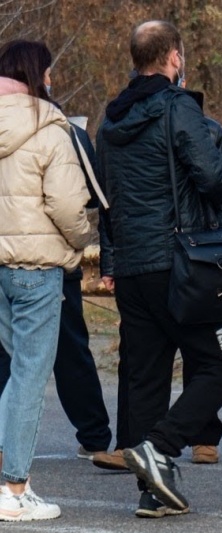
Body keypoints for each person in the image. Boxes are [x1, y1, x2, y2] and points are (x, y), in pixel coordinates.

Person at [95, 20, 222, 515]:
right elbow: (212, 178)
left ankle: (152, 493)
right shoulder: (178, 107)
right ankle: (158, 448)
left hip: (133, 266)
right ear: (175, 58)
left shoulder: (110, 120)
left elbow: (105, 196)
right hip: (180, 265)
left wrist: (114, 255)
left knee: (146, 376)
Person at [0, 39, 92, 521]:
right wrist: (79, 241)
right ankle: (13, 489)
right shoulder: (50, 127)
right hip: (36, 268)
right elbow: (66, 206)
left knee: (14, 375)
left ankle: (13, 481)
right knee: (29, 378)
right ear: (40, 75)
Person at [0, 120, 114, 466]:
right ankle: (93, 435)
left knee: (9, 358)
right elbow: (87, 197)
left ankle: (6, 446)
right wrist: (79, 239)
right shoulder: (62, 130)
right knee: (67, 352)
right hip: (47, 259)